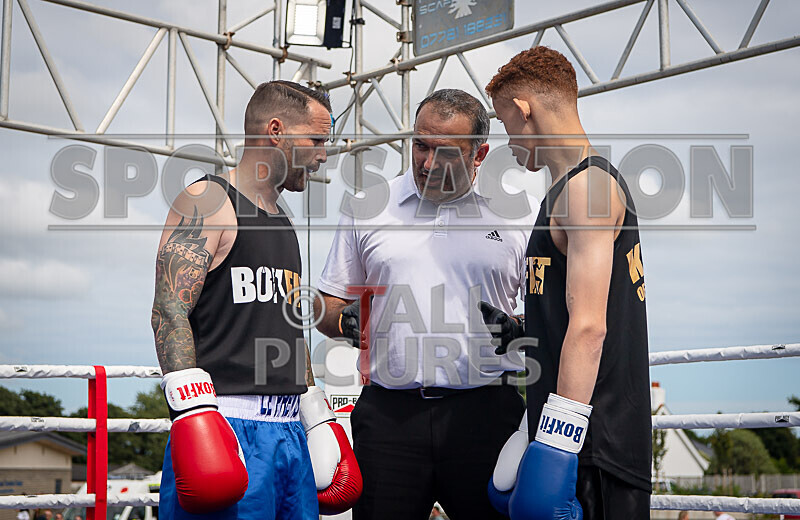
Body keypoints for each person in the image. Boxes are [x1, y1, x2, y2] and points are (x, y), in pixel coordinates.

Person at [314, 88, 536, 519]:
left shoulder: (520, 214)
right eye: (420, 145)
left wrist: (522, 331)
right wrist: (344, 322)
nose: (428, 162)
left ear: (480, 154)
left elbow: (545, 315)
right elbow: (327, 304)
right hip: (389, 418)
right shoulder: (368, 207)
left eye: (446, 152)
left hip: (488, 413)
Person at [151, 80, 361, 519]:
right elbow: (170, 310)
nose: (325, 155)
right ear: (276, 130)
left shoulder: (282, 221)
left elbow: (287, 322)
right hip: (225, 423)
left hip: (288, 430)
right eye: (317, 140)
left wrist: (313, 406)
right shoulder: (208, 201)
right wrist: (192, 414)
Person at [483, 46, 652, 519]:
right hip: (577, 436)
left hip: (594, 444)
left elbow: (589, 328)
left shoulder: (587, 189)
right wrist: (528, 328)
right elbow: (575, 309)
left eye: (504, 124)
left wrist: (556, 446)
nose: (508, 141)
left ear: (523, 109)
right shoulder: (565, 191)